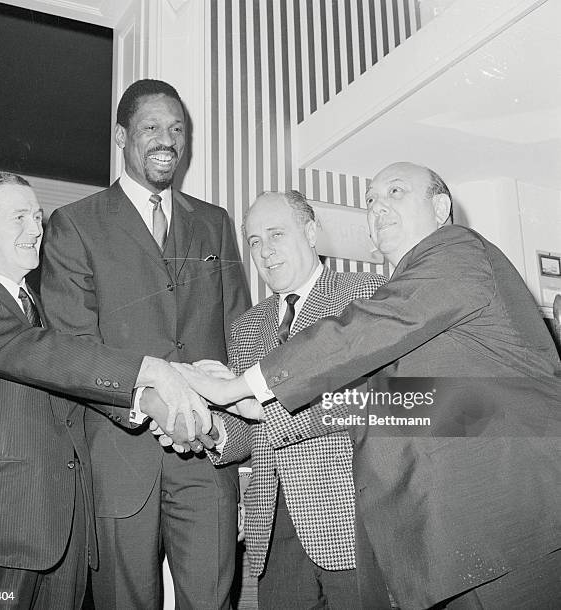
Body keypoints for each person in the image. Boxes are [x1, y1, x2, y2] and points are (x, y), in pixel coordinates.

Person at [175, 162, 561, 609]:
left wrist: (244, 385)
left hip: (510, 518)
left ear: (440, 208)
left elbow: (368, 332)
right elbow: (401, 403)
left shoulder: (457, 252)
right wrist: (244, 411)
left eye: (395, 192)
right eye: (371, 199)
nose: (377, 206)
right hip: (445, 540)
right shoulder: (405, 300)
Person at [0, 172, 212, 610]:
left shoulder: (42, 311)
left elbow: (71, 375)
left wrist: (152, 404)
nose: (36, 229)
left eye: (37, 216)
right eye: (19, 217)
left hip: (65, 544)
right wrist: (151, 370)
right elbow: (30, 353)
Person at [40, 79, 251, 609]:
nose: (167, 140)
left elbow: (240, 334)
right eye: (152, 127)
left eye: (177, 129)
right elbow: (73, 350)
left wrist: (234, 435)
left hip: (207, 456)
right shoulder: (74, 224)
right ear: (121, 136)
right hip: (119, 462)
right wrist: (153, 404)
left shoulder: (215, 223)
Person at [194, 190, 389, 608]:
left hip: (354, 523)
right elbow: (251, 431)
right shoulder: (247, 327)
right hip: (273, 531)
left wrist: (261, 405)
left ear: (311, 231)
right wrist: (209, 427)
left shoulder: (365, 294)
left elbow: (380, 401)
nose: (265, 251)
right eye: (255, 241)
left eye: (276, 234)